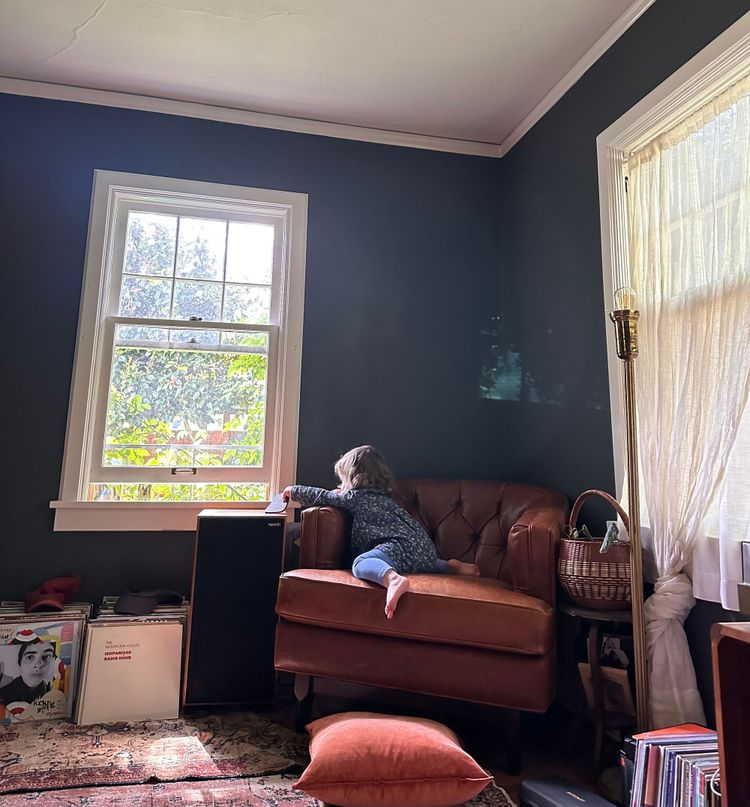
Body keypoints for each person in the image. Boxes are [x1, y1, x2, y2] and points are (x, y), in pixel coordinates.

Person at [283, 445, 479, 619]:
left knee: (360, 563)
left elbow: (321, 495)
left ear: (351, 477)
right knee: (416, 559)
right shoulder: (385, 498)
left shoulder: (353, 498)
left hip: (396, 546)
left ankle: (392, 579)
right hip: (425, 549)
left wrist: (293, 490)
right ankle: (448, 566)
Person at [0, 639, 55, 705]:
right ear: (19, 664)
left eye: (47, 656)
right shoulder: (2, 696)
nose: (38, 665)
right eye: (30, 657)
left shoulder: (52, 693)